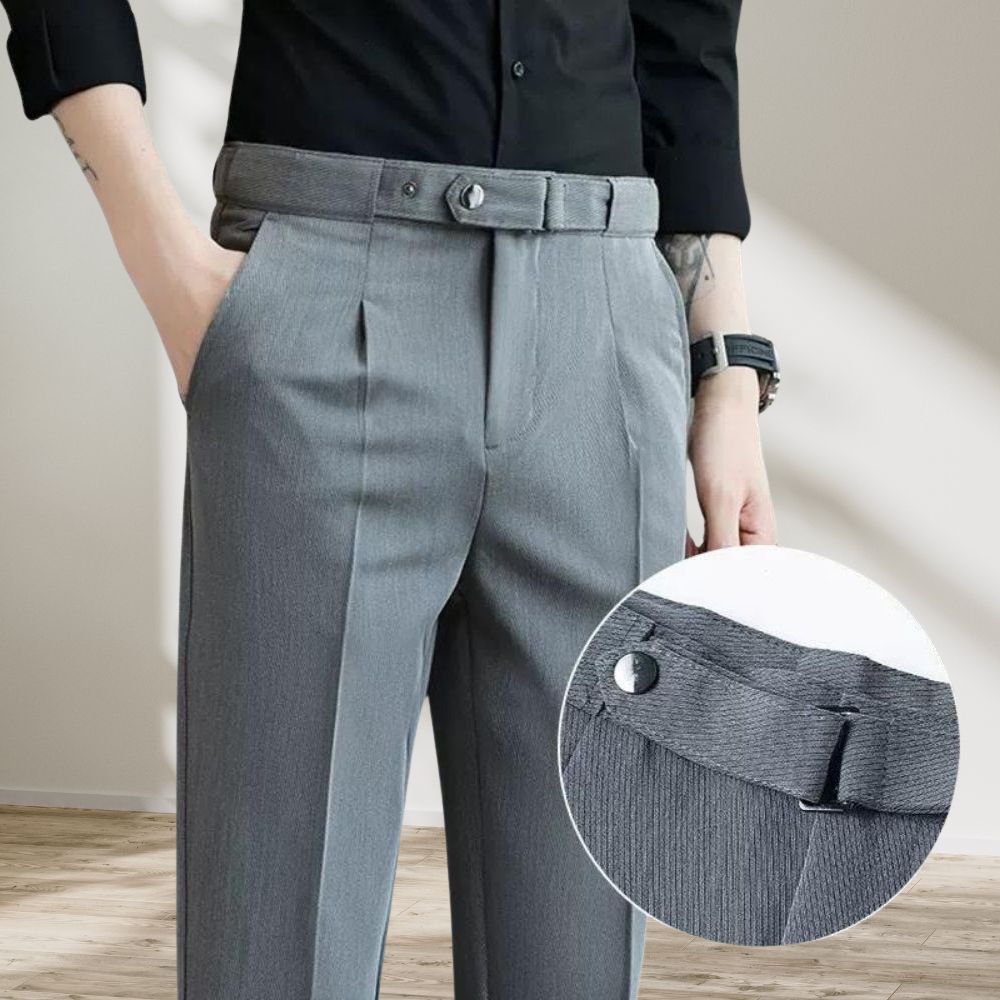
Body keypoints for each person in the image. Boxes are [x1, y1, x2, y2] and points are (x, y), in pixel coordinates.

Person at [1, 1, 777, 997]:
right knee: (277, 955)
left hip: (604, 324)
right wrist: (167, 267)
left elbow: (685, 36)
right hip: (325, 291)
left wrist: (725, 373)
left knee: (578, 952)